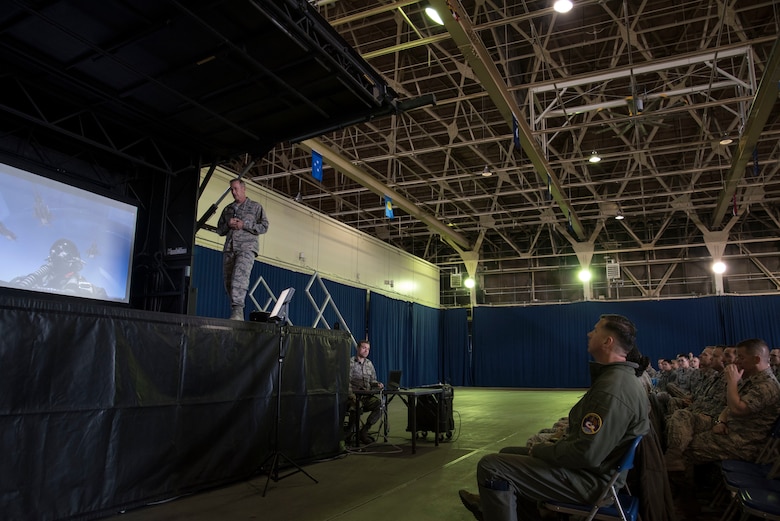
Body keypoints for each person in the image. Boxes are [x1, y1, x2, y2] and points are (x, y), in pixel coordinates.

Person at [458, 314, 650, 521]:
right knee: (508, 452)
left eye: (595, 330)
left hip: (589, 482)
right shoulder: (619, 379)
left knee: (491, 466)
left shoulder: (612, 390)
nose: (589, 333)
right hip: (595, 472)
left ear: (607, 341)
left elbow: (585, 454)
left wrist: (542, 449)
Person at [216, 179, 269, 320]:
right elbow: (220, 230)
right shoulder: (228, 209)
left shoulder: (255, 207)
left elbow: (264, 227)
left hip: (247, 248)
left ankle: (238, 310)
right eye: (231, 189)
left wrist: (244, 224)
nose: (234, 192)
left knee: (239, 279)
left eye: (236, 189)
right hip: (230, 248)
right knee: (228, 281)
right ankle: (235, 309)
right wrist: (228, 224)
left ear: (243, 189)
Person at [348, 340, 384, 444]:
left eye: (368, 349)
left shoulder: (369, 364)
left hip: (366, 397)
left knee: (381, 405)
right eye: (364, 348)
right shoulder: (350, 363)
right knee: (356, 406)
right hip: (352, 397)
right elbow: (346, 383)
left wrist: (377, 384)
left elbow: (373, 380)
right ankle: (349, 433)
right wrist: (352, 396)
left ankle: (364, 431)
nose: (366, 351)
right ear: (358, 348)